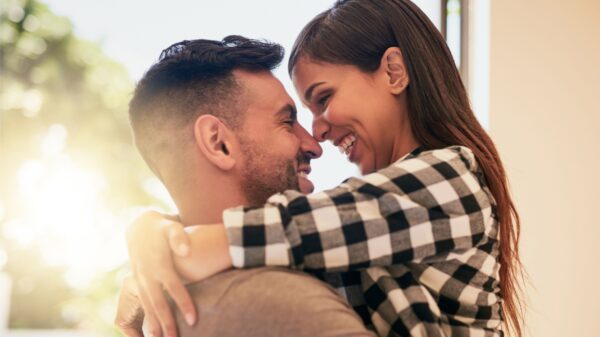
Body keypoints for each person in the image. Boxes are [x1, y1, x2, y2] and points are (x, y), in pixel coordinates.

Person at [124, 0, 524, 336]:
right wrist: (154, 230)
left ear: (393, 72)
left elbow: (302, 229)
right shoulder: (364, 218)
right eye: (294, 117)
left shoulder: (455, 177)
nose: (316, 134)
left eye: (323, 98)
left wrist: (178, 244)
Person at [115, 35, 375, 337]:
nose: (313, 144)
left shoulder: (155, 311)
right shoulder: (284, 304)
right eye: (286, 121)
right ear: (218, 143)